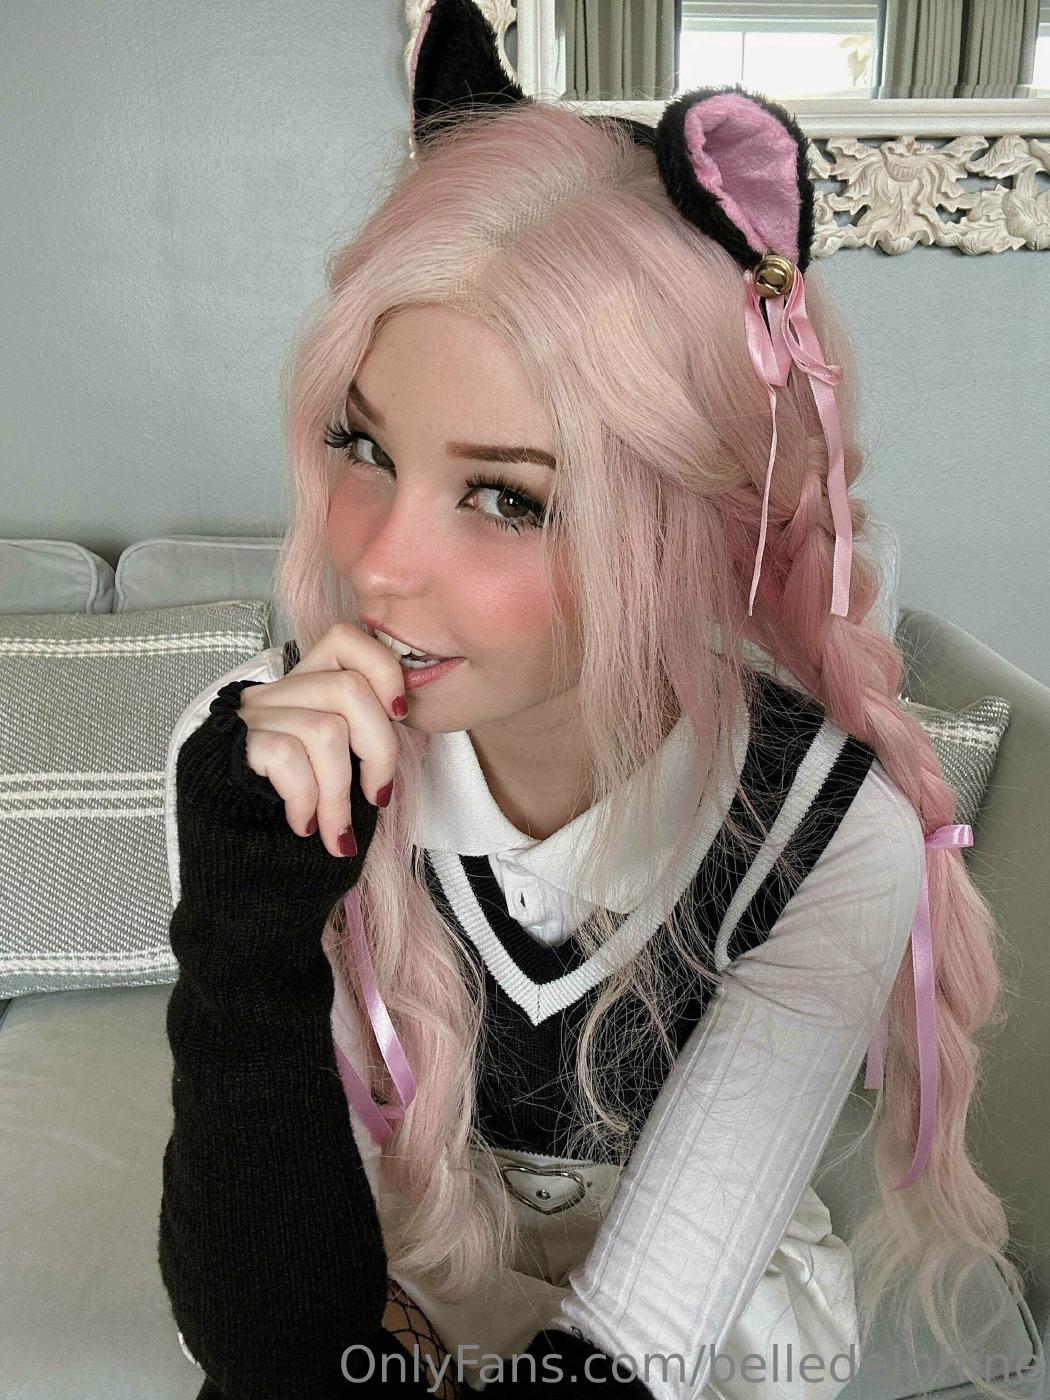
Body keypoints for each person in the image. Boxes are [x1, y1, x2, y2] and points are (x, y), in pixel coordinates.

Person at [157, 3, 1024, 1397]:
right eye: (363, 448)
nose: (377, 562)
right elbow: (264, 1346)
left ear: (694, 538)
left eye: (508, 498)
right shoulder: (271, 760)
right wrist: (243, 935)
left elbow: (634, 1349)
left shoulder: (824, 832)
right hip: (392, 1280)